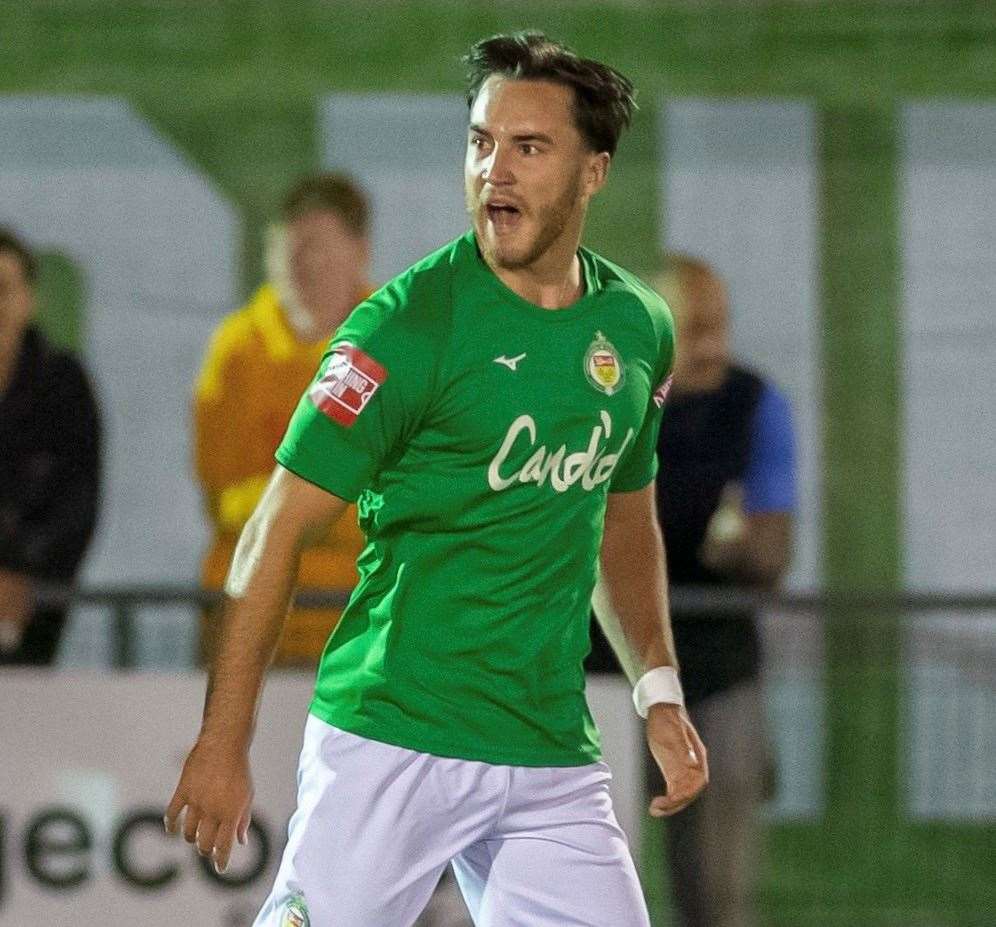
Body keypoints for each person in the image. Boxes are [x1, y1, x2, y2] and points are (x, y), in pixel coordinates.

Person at [165, 32, 708, 927]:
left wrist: (657, 689)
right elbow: (275, 528)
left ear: (594, 172)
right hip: (393, 736)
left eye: (530, 148)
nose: (495, 171)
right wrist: (224, 741)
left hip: (546, 752)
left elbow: (623, 517)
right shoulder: (406, 327)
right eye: (481, 142)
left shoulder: (639, 328)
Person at [650, 255, 796, 927]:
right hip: (602, 676)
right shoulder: (613, 406)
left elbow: (774, 553)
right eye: (693, 327)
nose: (712, 342)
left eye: (719, 325)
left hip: (718, 676)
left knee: (716, 894)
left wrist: (739, 550)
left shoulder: (756, 405)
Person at [193, 174, 370, 666]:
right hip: (251, 620)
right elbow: (223, 497)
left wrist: (288, 505)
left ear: (360, 252)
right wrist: (333, 504)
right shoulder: (235, 351)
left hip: (367, 627)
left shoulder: (395, 342)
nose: (303, 265)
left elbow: (409, 496)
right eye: (288, 249)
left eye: (318, 247)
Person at [0, 227, 101, 665]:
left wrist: (23, 576)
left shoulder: (63, 385)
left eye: (2, 290)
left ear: (29, 300)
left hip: (36, 613)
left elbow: (77, 501)